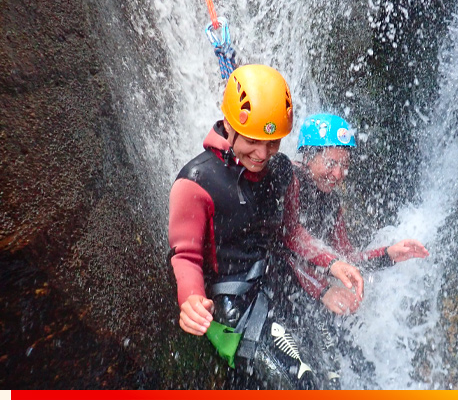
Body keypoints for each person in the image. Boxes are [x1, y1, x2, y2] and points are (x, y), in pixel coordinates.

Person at [168, 66, 363, 389]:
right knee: (305, 384)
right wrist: (191, 298)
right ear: (228, 126)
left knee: (334, 372)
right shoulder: (197, 182)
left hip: (277, 287)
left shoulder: (280, 171)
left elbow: (290, 232)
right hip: (235, 306)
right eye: (253, 141)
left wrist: (332, 262)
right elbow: (185, 256)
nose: (262, 154)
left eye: (272, 143)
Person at [280, 113, 430, 385]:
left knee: (360, 366)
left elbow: (345, 261)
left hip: (309, 295)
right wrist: (323, 289)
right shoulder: (290, 178)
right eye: (331, 163)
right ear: (309, 156)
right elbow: (287, 240)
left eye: (344, 165)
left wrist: (388, 255)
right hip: (284, 298)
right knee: (323, 377)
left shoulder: (330, 202)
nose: (338, 174)